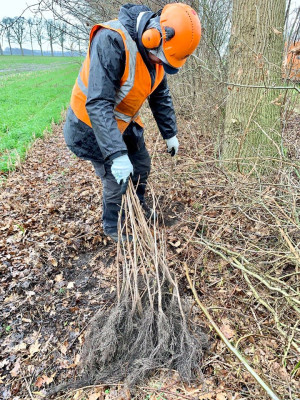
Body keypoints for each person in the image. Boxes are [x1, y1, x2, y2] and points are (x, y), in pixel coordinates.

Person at [63, 3, 201, 242]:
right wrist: (116, 154)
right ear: (151, 37)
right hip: (90, 125)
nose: (160, 65)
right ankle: (114, 227)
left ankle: (137, 206)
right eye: (160, 59)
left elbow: (160, 94)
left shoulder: (157, 58)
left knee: (141, 165)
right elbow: (98, 103)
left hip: (123, 121)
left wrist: (170, 133)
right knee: (115, 178)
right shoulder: (111, 40)